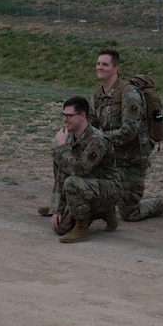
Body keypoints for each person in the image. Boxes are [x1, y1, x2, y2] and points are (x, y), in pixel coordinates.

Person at [90, 48, 163, 222]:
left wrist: (99, 139)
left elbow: (129, 131)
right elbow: (91, 127)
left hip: (132, 159)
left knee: (130, 212)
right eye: (98, 64)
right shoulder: (97, 96)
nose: (100, 67)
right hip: (112, 157)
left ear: (116, 68)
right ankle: (63, 207)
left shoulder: (129, 94)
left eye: (105, 64)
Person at [45, 96, 122, 243]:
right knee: (60, 227)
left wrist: (61, 149)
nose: (65, 120)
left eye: (69, 116)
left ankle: (82, 228)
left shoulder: (96, 140)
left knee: (72, 182)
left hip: (108, 188)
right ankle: (102, 212)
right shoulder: (69, 138)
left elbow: (79, 170)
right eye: (63, 115)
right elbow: (60, 176)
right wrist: (57, 210)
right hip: (88, 185)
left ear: (82, 116)